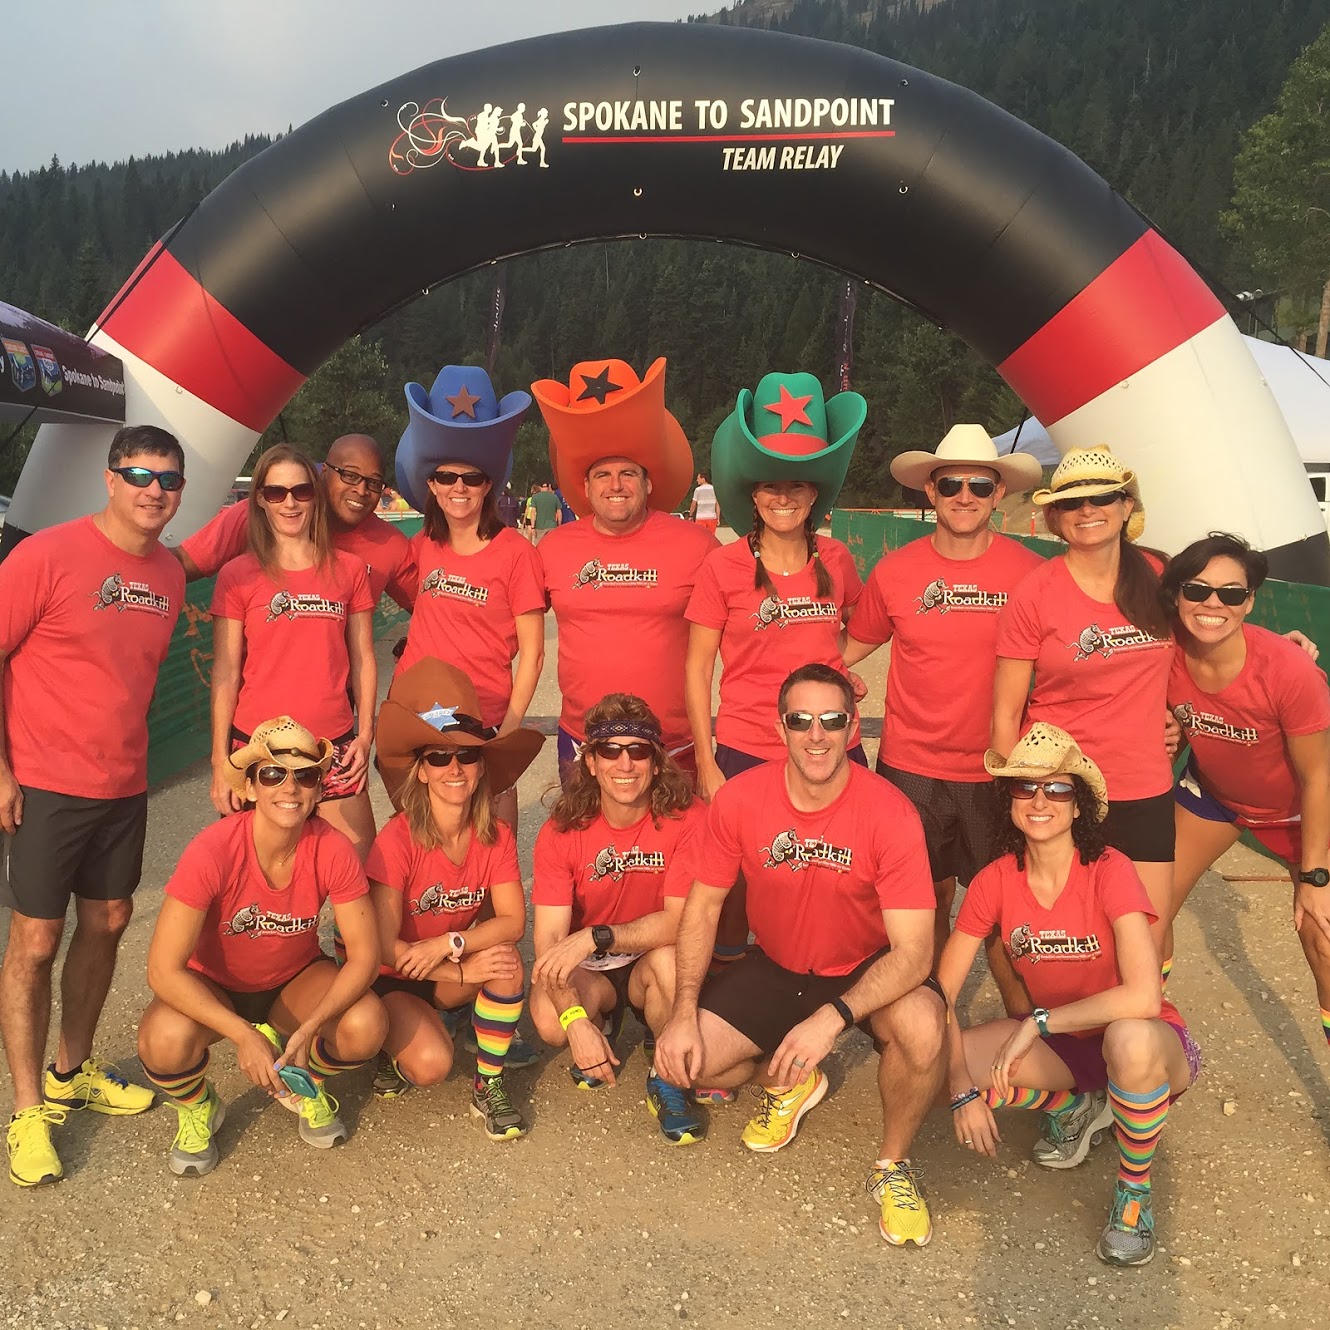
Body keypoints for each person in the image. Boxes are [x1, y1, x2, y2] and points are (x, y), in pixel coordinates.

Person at [656, 664, 945, 1247]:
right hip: (780, 962)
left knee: (923, 1030)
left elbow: (914, 955)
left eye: (833, 721)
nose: (818, 735)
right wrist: (683, 1012)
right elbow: (703, 909)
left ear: (853, 727)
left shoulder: (890, 812)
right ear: (780, 727)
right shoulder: (740, 800)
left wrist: (830, 1018)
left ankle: (893, 1166)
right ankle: (789, 1082)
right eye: (802, 721)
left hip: (867, 964)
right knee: (690, 1064)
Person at [0, 424, 187, 1187]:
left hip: (123, 784)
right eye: (140, 474)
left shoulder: (171, 574)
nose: (154, 490)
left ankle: (70, 1074)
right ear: (110, 479)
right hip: (45, 782)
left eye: (169, 479)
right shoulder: (43, 556)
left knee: (108, 922)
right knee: (36, 941)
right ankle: (24, 1111)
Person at [938, 724, 1200, 1266]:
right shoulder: (993, 880)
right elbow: (942, 991)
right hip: (1068, 1050)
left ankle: (1133, 1193)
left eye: (1057, 790)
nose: (1040, 801)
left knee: (1128, 1040)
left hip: (1146, 1045)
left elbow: (1144, 997)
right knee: (931, 1056)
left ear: (1078, 806)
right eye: (1025, 788)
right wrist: (962, 1085)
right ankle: (1079, 1102)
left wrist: (1037, 1022)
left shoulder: (1110, 871)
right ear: (1008, 800)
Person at [136, 717, 388, 1177]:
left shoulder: (331, 848)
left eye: (305, 774)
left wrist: (311, 1027)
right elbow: (163, 970)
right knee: (163, 1042)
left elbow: (366, 955)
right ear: (251, 787)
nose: (289, 787)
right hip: (215, 985)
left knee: (365, 1023)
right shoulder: (212, 850)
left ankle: (305, 1080)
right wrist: (243, 1035)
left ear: (317, 789)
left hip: (292, 980)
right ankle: (199, 1106)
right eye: (272, 773)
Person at [845, 425, 1043, 965]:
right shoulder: (895, 571)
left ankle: (1023, 1029)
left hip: (998, 766)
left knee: (1003, 910)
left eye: (980, 486)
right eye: (950, 483)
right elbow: (848, 647)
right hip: (912, 769)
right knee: (922, 902)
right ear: (929, 492)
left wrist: (1164, 714)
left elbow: (1073, 665)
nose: (964, 496)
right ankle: (926, 1012)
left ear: (999, 494)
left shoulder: (1033, 575)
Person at [993, 448, 1176, 938]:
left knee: (1149, 934)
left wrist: (1288, 646)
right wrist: (1022, 795)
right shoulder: (1035, 591)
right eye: (1072, 503)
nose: (1088, 511)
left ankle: (1145, 1016)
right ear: (1055, 517)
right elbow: (1007, 713)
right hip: (1061, 784)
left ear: (1126, 507)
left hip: (1143, 783)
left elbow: (1215, 633)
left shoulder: (1162, 576)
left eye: (1102, 498)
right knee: (1073, 932)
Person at [1160, 533, 1330, 1046]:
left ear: (1250, 601)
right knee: (1143, 912)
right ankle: (1142, 1042)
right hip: (1217, 799)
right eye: (1197, 589)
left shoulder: (1287, 669)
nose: (1213, 604)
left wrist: (1315, 875)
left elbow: (1318, 776)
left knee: (1323, 939)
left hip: (1300, 811)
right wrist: (1166, 723)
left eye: (1232, 593)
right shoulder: (1160, 648)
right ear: (1175, 594)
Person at [366, 659, 544, 1138]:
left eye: (466, 756)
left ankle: (488, 1083)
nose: (455, 768)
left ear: (481, 766)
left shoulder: (495, 834)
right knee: (430, 1066)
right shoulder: (396, 840)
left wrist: (452, 945)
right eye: (439, 758)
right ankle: (390, 1047)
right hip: (390, 978)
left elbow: (512, 921)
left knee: (506, 961)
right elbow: (383, 949)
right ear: (421, 772)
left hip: (435, 961)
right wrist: (462, 970)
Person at [529, 692, 708, 1145]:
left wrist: (596, 935)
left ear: (656, 760)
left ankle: (664, 1072)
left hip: (649, 957)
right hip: (595, 971)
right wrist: (575, 1024)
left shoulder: (686, 819)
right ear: (589, 762)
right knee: (550, 1023)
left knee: (670, 959)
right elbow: (549, 939)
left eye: (638, 751)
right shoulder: (563, 829)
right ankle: (602, 1024)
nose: (624, 765)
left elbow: (682, 921)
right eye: (610, 751)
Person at [688, 371, 869, 802]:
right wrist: (704, 761)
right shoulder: (722, 565)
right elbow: (697, 669)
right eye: (771, 485)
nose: (783, 498)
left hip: (832, 743)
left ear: (814, 496)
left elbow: (868, 622)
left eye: (797, 486)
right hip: (748, 744)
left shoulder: (837, 557)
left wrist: (838, 664)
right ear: (754, 494)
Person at [532, 358, 718, 777]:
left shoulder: (698, 546)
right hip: (584, 742)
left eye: (628, 473)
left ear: (649, 483)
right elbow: (497, 625)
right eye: (602, 475)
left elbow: (749, 628)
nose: (615, 485)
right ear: (584, 487)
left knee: (676, 843)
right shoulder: (553, 549)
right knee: (585, 841)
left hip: (674, 743)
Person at [209, 444, 378, 858]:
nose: (289, 502)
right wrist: (219, 763)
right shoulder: (236, 576)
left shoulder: (349, 570)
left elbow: (364, 660)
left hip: (334, 743)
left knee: (355, 871)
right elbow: (226, 673)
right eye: (275, 492)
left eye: (301, 491)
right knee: (254, 877)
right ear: (260, 501)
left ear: (315, 497)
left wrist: (366, 733)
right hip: (255, 746)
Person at [392, 366, 543, 828]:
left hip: (486, 717)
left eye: (472, 478)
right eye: (447, 477)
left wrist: (511, 728)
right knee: (422, 842)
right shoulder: (421, 546)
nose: (459, 487)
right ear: (431, 486)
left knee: (492, 839)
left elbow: (533, 652)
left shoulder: (515, 553)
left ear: (489, 486)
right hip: (419, 715)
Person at [175, 433, 416, 613]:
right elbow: (182, 563)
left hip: (340, 681)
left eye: (373, 483)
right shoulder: (263, 514)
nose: (361, 490)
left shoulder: (390, 545)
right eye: (349, 476)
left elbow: (432, 609)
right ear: (324, 473)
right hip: (257, 680)